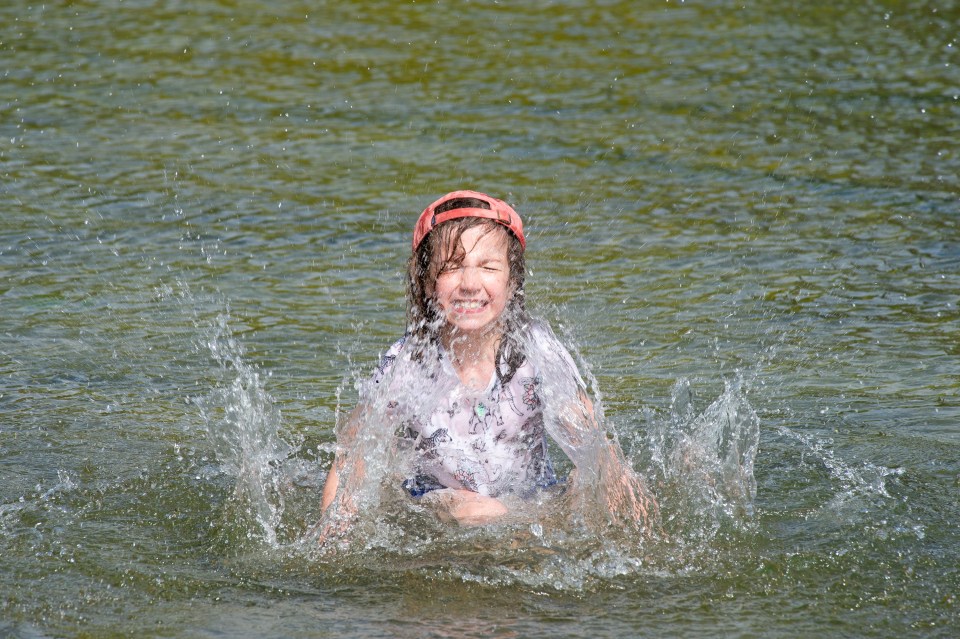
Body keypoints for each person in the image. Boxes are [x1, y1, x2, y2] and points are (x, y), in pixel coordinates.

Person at [319, 190, 657, 535]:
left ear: (512, 283)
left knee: (583, 486)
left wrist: (622, 493)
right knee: (475, 510)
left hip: (530, 501)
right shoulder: (408, 361)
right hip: (441, 504)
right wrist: (333, 537)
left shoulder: (535, 348)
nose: (469, 284)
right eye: (451, 267)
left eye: (488, 267)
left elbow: (591, 440)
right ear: (426, 282)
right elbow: (351, 456)